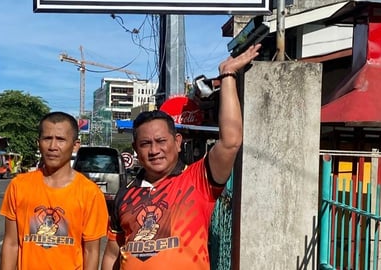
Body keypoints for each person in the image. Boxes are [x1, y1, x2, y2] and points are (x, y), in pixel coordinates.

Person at [101, 43, 261, 270]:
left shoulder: (199, 180)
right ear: (136, 149)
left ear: (177, 143)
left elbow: (231, 141)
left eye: (161, 141)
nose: (154, 150)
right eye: (145, 144)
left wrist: (228, 75)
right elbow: (112, 253)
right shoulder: (125, 196)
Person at [0, 111, 108, 270]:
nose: (52, 147)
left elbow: (91, 252)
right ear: (39, 143)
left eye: (61, 140)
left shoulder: (90, 193)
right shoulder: (19, 185)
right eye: (47, 138)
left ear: (75, 145)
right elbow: (10, 243)